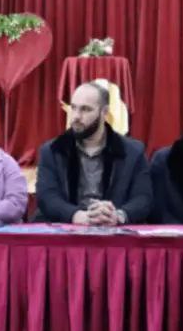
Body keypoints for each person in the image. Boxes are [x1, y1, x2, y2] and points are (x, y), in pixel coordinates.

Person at [35, 82, 152, 224]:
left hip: (114, 231)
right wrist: (75, 215)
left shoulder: (132, 152)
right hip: (67, 229)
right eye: (73, 108)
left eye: (85, 109)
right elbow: (47, 196)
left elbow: (143, 198)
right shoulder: (52, 150)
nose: (76, 116)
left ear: (104, 112)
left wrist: (118, 216)